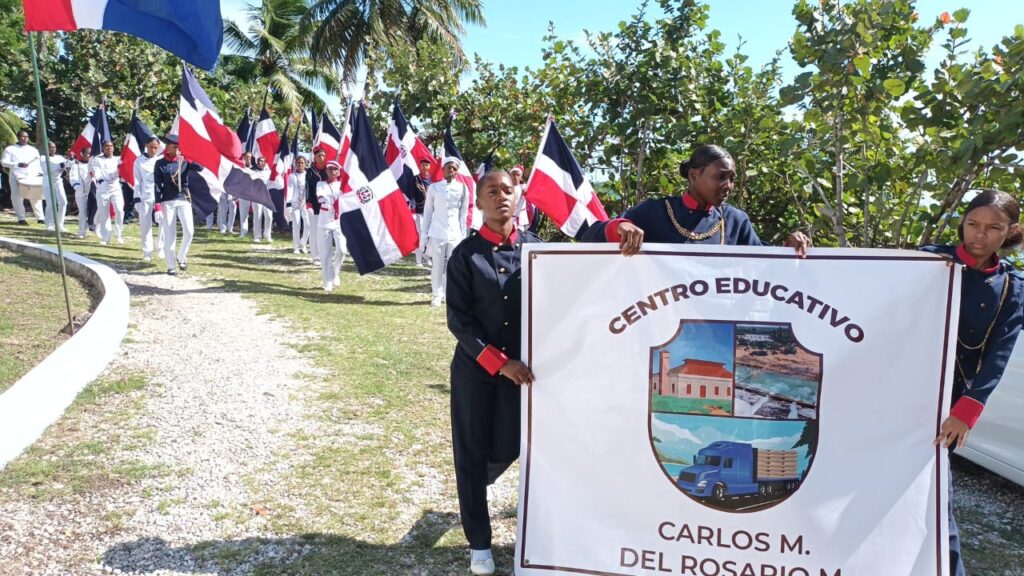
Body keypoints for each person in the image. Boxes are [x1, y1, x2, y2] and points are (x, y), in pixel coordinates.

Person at [919, 190, 1024, 576]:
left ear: (1010, 231)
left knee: (937, 494)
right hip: (900, 389)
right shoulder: (928, 260)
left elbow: (998, 355)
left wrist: (965, 413)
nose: (979, 235)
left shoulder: (1013, 286)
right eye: (972, 224)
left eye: (993, 228)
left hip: (948, 407)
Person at [446, 169, 540, 576]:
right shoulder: (465, 255)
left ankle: (474, 486)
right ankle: (479, 544)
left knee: (509, 447)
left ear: (518, 196)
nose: (501, 196)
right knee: (470, 453)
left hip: (523, 374)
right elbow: (459, 322)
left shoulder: (539, 251)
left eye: (507, 190)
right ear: (479, 203)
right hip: (476, 371)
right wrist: (501, 363)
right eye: (491, 191)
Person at [577, 145, 810, 254]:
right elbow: (589, 237)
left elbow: (764, 265)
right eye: (720, 177)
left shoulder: (736, 221)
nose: (728, 186)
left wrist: (789, 249)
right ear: (694, 175)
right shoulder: (654, 211)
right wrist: (621, 227)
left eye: (731, 179)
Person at [422, 157, 470, 306]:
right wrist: (424, 235)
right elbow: (428, 212)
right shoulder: (434, 188)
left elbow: (463, 213)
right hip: (437, 231)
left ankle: (450, 293)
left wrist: (463, 235)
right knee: (437, 264)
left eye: (455, 168)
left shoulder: (463, 188)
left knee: (453, 265)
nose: (452, 171)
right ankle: (437, 293)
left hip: (455, 232)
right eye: (449, 167)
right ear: (443, 169)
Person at [154, 134, 203, 275]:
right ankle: (171, 266)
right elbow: (157, 186)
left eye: (178, 147)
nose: (176, 149)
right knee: (170, 234)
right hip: (167, 200)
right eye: (174, 147)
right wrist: (157, 206)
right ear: (168, 147)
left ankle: (181, 256)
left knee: (189, 231)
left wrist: (188, 156)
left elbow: (200, 168)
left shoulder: (184, 161)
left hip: (183, 199)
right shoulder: (160, 163)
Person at [315, 160, 347, 291]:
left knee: (342, 249)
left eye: (335, 169)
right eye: (330, 169)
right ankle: (327, 280)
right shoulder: (320, 184)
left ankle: (336, 272)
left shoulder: (343, 185)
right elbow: (321, 198)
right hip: (325, 221)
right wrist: (333, 201)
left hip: (339, 221)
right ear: (326, 171)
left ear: (339, 171)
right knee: (325, 253)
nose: (332, 171)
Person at [2, 129, 43, 224]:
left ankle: (40, 218)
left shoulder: (33, 150)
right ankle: (21, 218)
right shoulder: (10, 149)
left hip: (32, 175)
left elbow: (38, 164)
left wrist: (40, 173)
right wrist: (18, 164)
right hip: (16, 176)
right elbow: (4, 162)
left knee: (35, 196)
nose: (25, 138)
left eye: (27, 137)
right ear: (18, 137)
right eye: (22, 136)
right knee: (17, 197)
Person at [133, 137, 163, 262]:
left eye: (156, 147)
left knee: (163, 222)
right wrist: (136, 198)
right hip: (145, 196)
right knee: (145, 224)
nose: (153, 149)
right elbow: (137, 180)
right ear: (146, 146)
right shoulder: (139, 161)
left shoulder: (161, 160)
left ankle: (160, 247)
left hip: (159, 197)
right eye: (151, 146)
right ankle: (147, 251)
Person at [90, 140, 123, 245]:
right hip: (103, 189)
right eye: (107, 146)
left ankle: (118, 234)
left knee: (119, 210)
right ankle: (106, 237)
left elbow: (123, 170)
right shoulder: (97, 160)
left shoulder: (118, 160)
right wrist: (103, 181)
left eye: (111, 146)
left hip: (116, 188)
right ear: (103, 148)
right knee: (104, 214)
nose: (109, 148)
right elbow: (97, 173)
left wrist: (117, 174)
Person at [305, 147, 330, 266]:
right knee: (314, 231)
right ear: (315, 157)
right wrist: (308, 203)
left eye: (323, 155)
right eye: (319, 155)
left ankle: (325, 254)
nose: (321, 158)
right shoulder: (310, 171)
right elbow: (307, 188)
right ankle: (315, 256)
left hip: (326, 206)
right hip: (314, 205)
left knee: (325, 231)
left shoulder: (328, 170)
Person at [40, 142, 67, 232]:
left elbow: (67, 165)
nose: (53, 149)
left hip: (58, 182)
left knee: (63, 202)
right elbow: (48, 169)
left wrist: (70, 160)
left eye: (54, 147)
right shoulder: (43, 158)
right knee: (51, 203)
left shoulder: (60, 157)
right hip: (48, 182)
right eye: (51, 147)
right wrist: (60, 165)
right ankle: (49, 224)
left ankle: (60, 224)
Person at [68, 148, 95, 239]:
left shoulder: (93, 165)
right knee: (83, 212)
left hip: (92, 192)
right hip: (81, 193)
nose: (89, 155)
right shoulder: (76, 166)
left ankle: (93, 226)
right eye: (87, 153)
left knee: (94, 211)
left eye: (91, 154)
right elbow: (73, 179)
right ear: (82, 154)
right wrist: (79, 188)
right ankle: (82, 232)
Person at [288, 155, 310, 254]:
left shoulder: (308, 174)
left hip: (305, 202)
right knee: (296, 224)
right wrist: (288, 203)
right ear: (295, 164)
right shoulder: (292, 176)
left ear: (305, 164)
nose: (300, 165)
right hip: (295, 202)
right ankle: (296, 247)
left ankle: (303, 244)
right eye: (298, 163)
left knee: (308, 224)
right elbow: (289, 190)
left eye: (302, 163)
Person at [413, 158, 431, 266]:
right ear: (420, 166)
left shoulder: (432, 180)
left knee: (429, 236)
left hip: (430, 212)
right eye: (423, 165)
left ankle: (427, 257)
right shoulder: (415, 179)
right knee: (420, 235)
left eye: (427, 165)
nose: (425, 167)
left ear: (429, 167)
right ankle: (418, 260)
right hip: (419, 211)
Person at [252, 156, 273, 243]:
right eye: (259, 161)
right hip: (257, 196)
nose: (260, 163)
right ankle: (257, 236)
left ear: (265, 163)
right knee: (258, 215)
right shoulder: (253, 172)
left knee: (269, 216)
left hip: (267, 196)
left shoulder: (269, 172)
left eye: (262, 161)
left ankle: (267, 235)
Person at [238, 151, 254, 238]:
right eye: (247, 157)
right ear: (243, 158)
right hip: (244, 192)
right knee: (244, 213)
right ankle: (243, 232)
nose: (248, 159)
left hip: (254, 193)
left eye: (250, 157)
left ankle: (256, 231)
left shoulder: (255, 168)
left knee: (258, 212)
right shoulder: (240, 168)